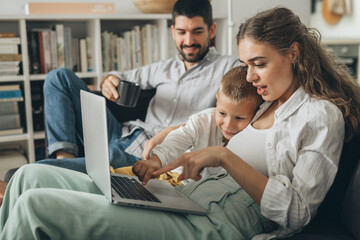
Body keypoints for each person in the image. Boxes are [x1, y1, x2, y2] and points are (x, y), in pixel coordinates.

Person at [1, 7, 360, 240]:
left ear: (293, 53)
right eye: (246, 64)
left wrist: (223, 157)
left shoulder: (319, 115)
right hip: (184, 197)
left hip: (216, 222)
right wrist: (159, 158)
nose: (249, 76)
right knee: (30, 177)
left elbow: (297, 212)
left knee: (36, 206)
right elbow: (198, 125)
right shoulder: (264, 100)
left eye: (259, 63)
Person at [37, 0, 239, 173]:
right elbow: (120, 76)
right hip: (124, 132)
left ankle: (53, 172)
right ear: (172, 32)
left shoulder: (229, 67)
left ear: (211, 30)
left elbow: (230, 111)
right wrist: (108, 80)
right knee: (58, 77)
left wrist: (165, 135)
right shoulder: (163, 68)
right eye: (181, 32)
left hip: (148, 152)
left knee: (39, 170)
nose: (188, 41)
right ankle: (65, 159)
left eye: (197, 32)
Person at [127, 66, 263, 185]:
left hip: (194, 189)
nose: (228, 124)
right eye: (222, 113)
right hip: (171, 174)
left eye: (239, 118)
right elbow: (179, 138)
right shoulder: (204, 120)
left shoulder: (253, 137)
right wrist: (156, 160)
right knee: (120, 178)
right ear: (217, 100)